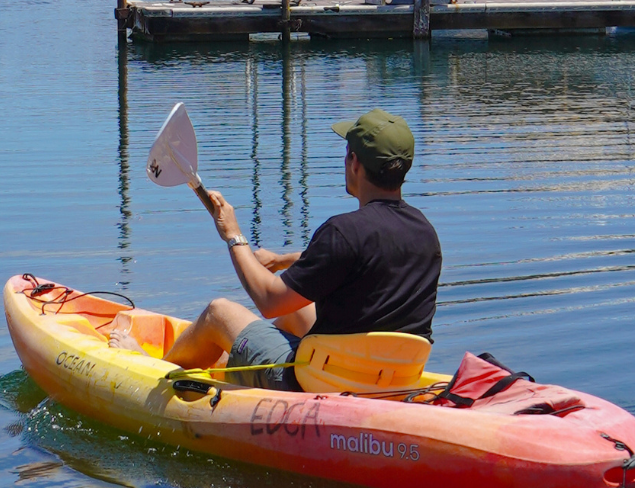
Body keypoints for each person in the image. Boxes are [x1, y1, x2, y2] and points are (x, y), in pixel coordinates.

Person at [163, 108, 445, 391]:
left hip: (325, 382)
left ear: (355, 162)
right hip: (396, 381)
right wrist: (282, 259)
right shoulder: (425, 233)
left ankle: (155, 372)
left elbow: (269, 300)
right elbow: (360, 262)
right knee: (299, 311)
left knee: (218, 313)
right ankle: (238, 365)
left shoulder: (343, 232)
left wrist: (233, 235)